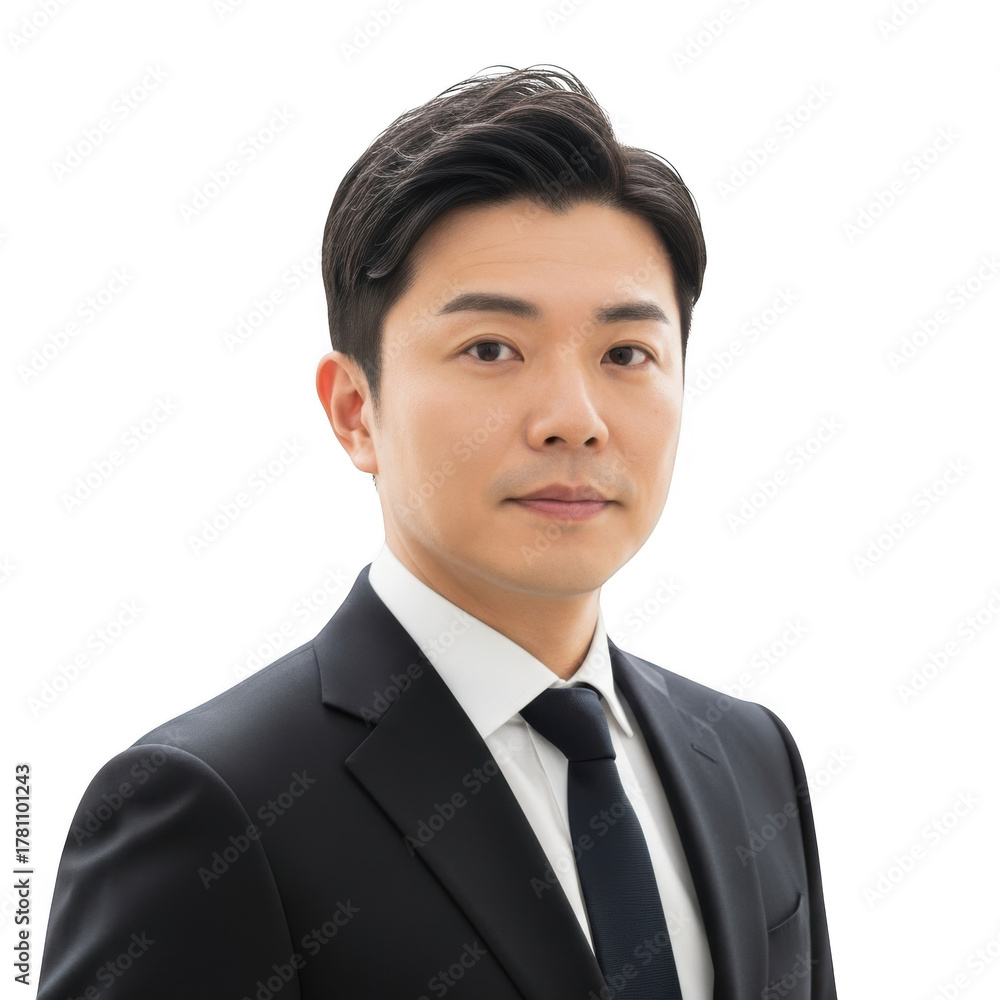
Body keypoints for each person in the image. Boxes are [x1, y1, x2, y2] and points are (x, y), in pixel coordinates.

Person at [37, 64, 837, 1000]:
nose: (574, 420)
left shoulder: (749, 756)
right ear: (355, 411)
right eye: (491, 349)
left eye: (627, 353)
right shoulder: (212, 807)